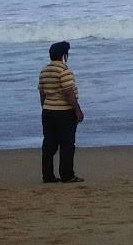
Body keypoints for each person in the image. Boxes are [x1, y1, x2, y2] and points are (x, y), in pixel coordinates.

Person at [37, 40, 85, 183]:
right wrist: (78, 110)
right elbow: (68, 93)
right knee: (67, 144)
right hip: (64, 112)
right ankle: (67, 175)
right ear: (64, 55)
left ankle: (48, 175)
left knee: (49, 145)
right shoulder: (64, 71)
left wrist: (45, 107)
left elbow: (42, 93)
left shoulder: (44, 71)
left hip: (48, 111)